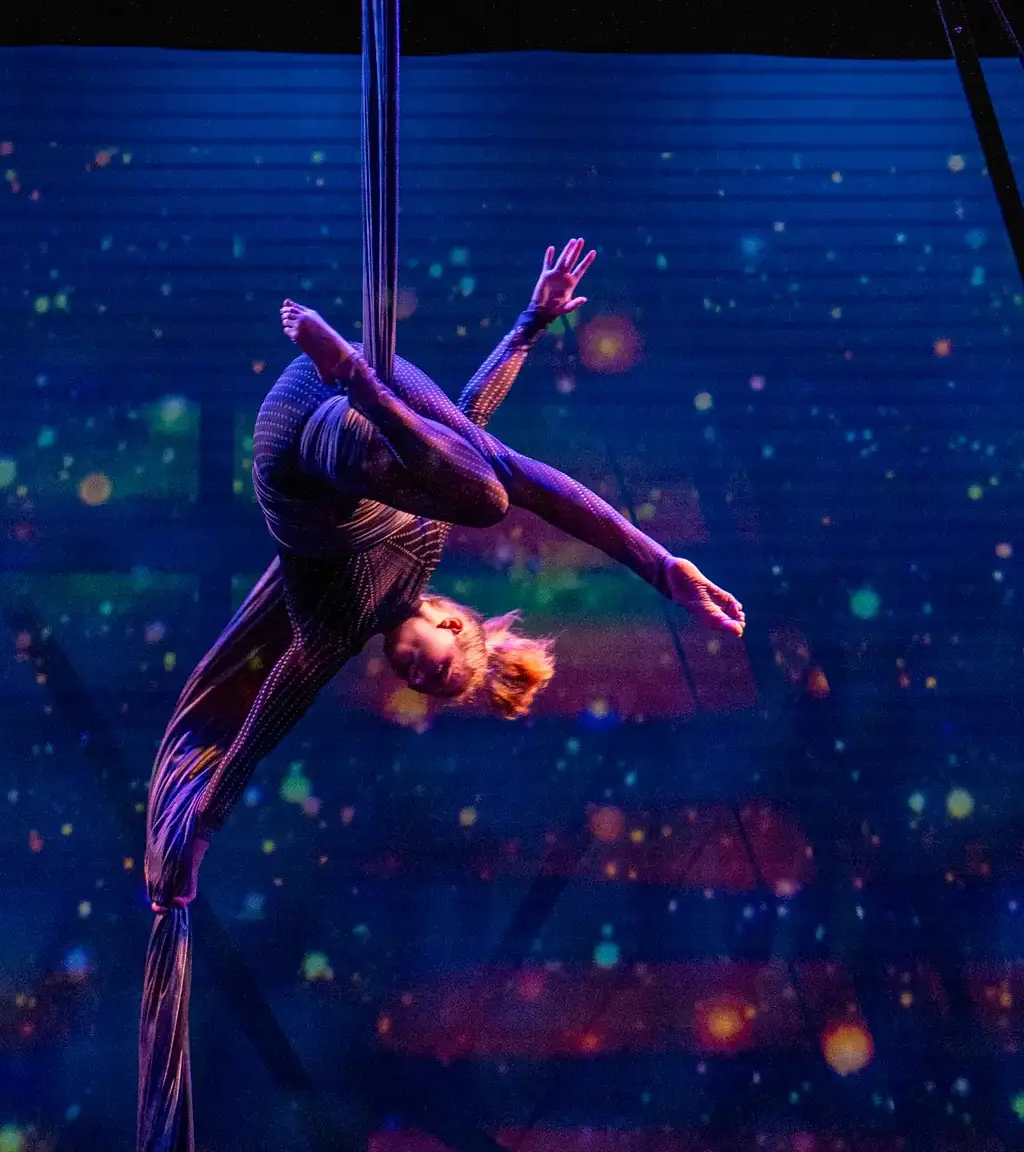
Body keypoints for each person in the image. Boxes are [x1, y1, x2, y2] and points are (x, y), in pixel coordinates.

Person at [137, 240, 745, 1151]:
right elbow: (472, 415)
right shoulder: (423, 546)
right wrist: (531, 323)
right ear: (454, 621)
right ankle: (361, 374)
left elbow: (265, 720)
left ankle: (358, 374)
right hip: (351, 402)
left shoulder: (337, 626)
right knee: (489, 473)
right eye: (437, 667)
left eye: (417, 684)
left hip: (305, 450)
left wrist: (203, 826)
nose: (414, 676)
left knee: (485, 483)